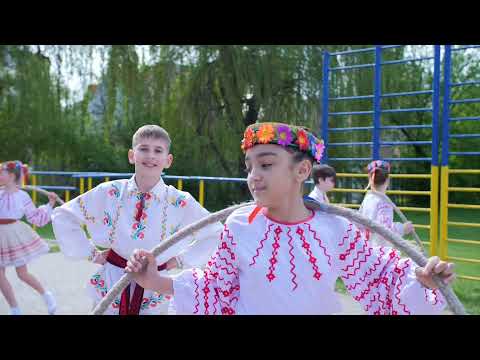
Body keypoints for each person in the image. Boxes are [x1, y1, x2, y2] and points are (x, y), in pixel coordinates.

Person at [125, 122, 455, 315]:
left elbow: (381, 277)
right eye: (249, 167)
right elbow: (215, 288)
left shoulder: (336, 226)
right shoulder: (239, 225)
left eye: (266, 164)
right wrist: (154, 281)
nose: (254, 175)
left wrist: (423, 280)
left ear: (302, 170)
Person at [52, 125, 223, 315]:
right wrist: (93, 254)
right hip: (113, 279)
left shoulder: (180, 201)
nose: (151, 155)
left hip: (155, 283)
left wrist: (178, 261)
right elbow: (64, 215)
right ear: (132, 155)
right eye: (144, 149)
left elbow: (216, 233)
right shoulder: (110, 191)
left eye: (158, 150)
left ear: (168, 160)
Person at [0, 160, 57, 315]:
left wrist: (50, 204)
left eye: (1, 172)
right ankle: (15, 309)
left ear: (11, 176)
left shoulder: (22, 196)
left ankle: (46, 295)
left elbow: (35, 218)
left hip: (14, 234)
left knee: (22, 273)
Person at [359, 160, 414, 248]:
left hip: (367, 247)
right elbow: (384, 230)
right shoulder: (384, 202)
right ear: (388, 180)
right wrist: (403, 228)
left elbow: (360, 221)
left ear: (370, 179)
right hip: (379, 251)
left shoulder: (368, 198)